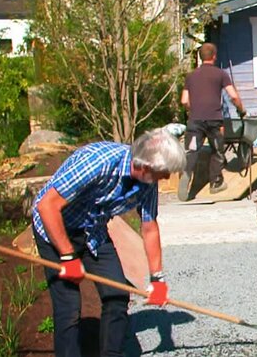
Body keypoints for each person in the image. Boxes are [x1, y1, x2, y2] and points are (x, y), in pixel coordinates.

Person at [31, 128, 185, 357]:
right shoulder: (98, 162)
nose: (165, 179)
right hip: (55, 229)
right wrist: (67, 256)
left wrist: (157, 279)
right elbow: (47, 206)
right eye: (164, 173)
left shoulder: (147, 182)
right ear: (145, 165)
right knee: (69, 308)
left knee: (117, 296)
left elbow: (149, 227)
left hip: (94, 232)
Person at [179, 43, 246, 200]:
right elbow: (233, 96)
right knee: (217, 151)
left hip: (195, 120)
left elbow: (184, 100)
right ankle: (215, 183)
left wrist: (193, 108)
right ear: (214, 56)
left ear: (200, 57)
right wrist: (241, 109)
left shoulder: (191, 76)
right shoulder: (220, 74)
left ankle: (186, 174)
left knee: (192, 151)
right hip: (214, 121)